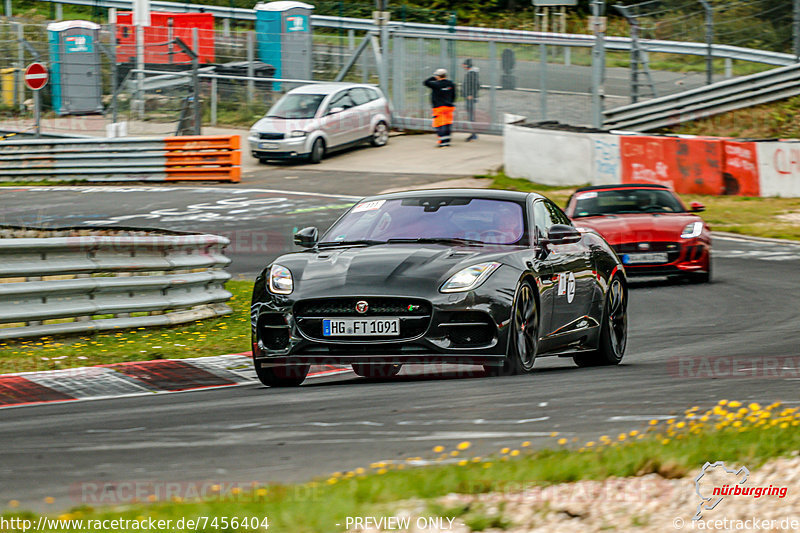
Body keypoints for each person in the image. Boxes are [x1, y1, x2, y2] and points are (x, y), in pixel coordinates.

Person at [424, 68, 456, 147]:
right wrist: (450, 102)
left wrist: (433, 77)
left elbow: (425, 82)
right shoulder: (451, 84)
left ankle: (442, 141)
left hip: (439, 108)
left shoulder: (436, 84)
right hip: (449, 107)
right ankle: (447, 141)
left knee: (439, 124)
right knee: (447, 123)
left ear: (438, 76)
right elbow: (454, 96)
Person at [462, 59, 480, 142]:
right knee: (470, 115)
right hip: (468, 97)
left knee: (471, 116)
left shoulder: (472, 73)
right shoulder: (471, 73)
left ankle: (473, 134)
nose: (463, 66)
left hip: (470, 97)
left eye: (464, 64)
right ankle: (473, 133)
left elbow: (475, 85)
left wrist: (471, 94)